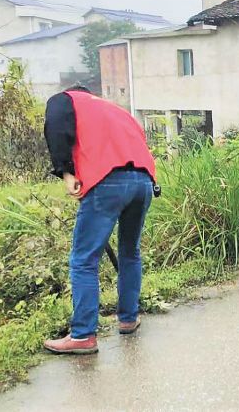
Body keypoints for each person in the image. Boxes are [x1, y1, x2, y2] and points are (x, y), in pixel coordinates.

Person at [43, 86, 157, 355]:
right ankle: (128, 319)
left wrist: (66, 172)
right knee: (130, 252)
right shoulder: (115, 110)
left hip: (107, 181)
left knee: (84, 260)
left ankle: (82, 335)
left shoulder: (65, 99)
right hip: (143, 180)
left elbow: (56, 130)